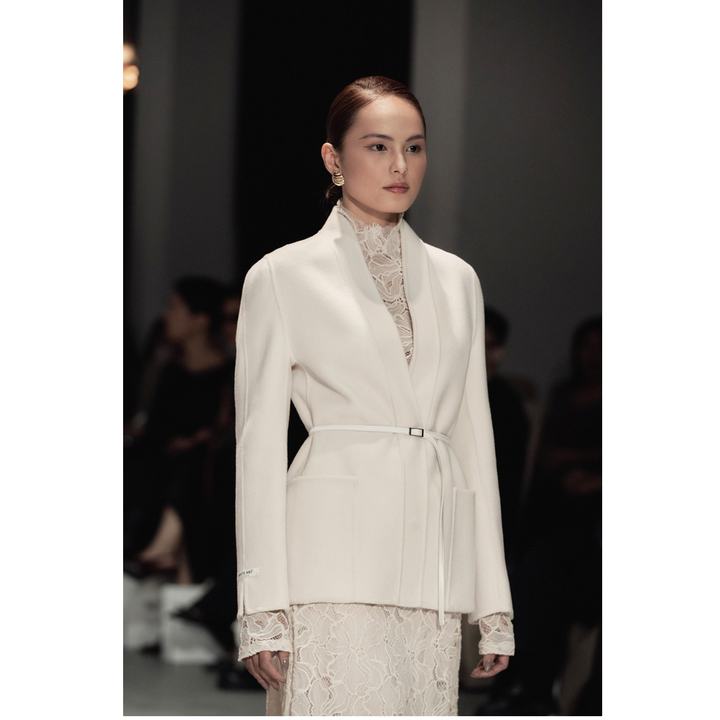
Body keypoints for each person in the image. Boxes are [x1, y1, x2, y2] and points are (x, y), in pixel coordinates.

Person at [235, 76, 515, 716]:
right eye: (378, 146)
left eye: (414, 147)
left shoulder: (458, 280)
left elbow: (474, 440)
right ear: (333, 158)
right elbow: (257, 449)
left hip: (432, 566)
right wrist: (261, 608)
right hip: (329, 561)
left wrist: (493, 602)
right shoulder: (281, 276)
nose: (400, 166)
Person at [124, 276, 234, 584]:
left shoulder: (227, 375)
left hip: (199, 468)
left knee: (187, 471)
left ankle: (160, 551)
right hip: (157, 463)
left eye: (175, 307)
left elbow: (223, 429)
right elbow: (152, 428)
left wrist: (197, 440)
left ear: (200, 320)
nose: (167, 316)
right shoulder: (168, 370)